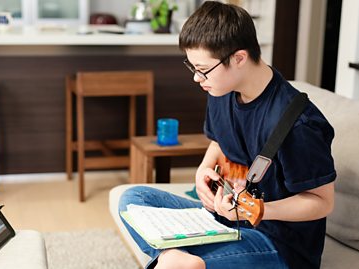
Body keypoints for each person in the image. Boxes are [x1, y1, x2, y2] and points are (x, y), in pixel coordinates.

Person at [119, 2, 336, 269]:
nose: (197, 78)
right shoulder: (220, 89)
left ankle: (175, 257)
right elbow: (221, 140)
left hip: (278, 244)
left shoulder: (298, 124)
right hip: (222, 220)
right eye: (193, 67)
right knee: (133, 200)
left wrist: (261, 210)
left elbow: (322, 202)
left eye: (203, 69)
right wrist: (204, 169)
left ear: (239, 58)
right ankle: (170, 256)